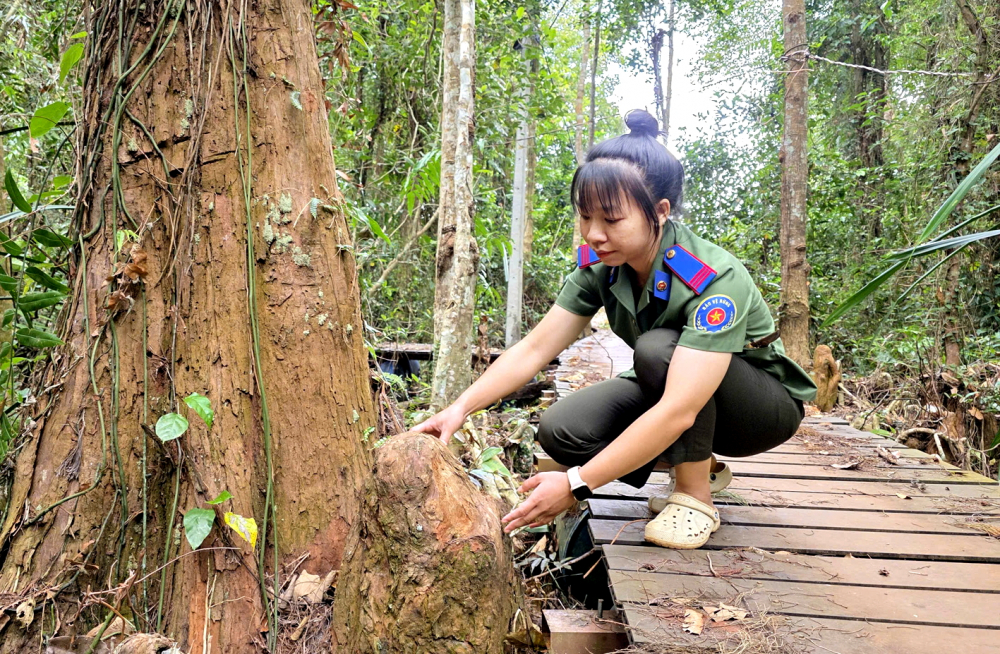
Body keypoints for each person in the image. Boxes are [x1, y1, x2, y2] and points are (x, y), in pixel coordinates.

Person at [413, 109, 817, 550]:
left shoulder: (712, 278)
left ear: (658, 213)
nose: (594, 234)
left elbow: (682, 407)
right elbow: (534, 349)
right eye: (585, 217)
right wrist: (460, 408)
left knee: (658, 348)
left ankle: (695, 496)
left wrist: (576, 484)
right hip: (675, 386)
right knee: (562, 430)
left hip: (759, 409)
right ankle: (698, 461)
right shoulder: (602, 267)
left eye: (611, 219)